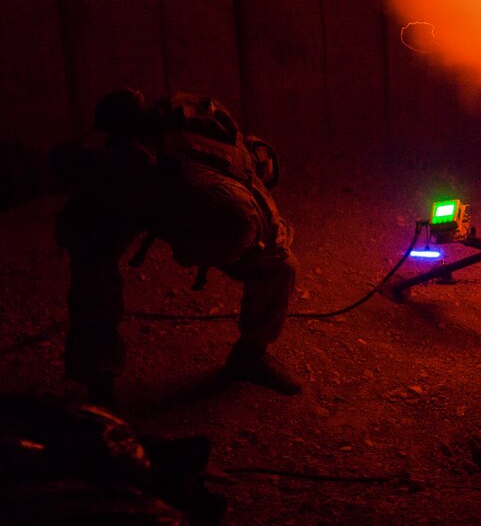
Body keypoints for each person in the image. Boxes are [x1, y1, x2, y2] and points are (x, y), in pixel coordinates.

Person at [55, 89, 301, 407]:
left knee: (280, 265)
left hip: (194, 197)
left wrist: (238, 245)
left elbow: (255, 214)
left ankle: (249, 356)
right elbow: (76, 213)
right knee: (92, 262)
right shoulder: (122, 169)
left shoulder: (230, 175)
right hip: (150, 192)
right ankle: (98, 383)